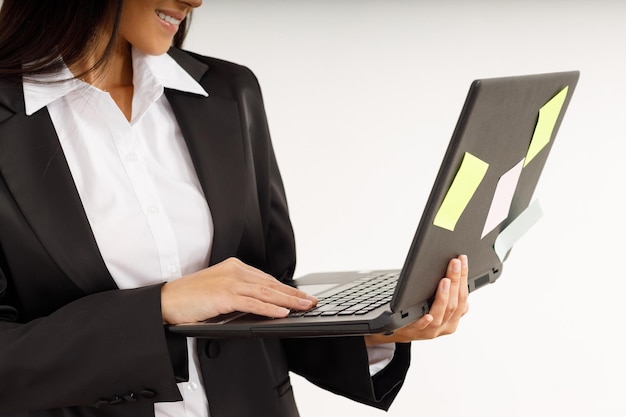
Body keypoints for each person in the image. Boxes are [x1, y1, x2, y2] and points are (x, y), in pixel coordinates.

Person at [0, 1, 469, 416]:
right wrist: (161, 306)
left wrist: (375, 333)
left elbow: (265, 296)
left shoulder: (229, 91)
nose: (196, 1)